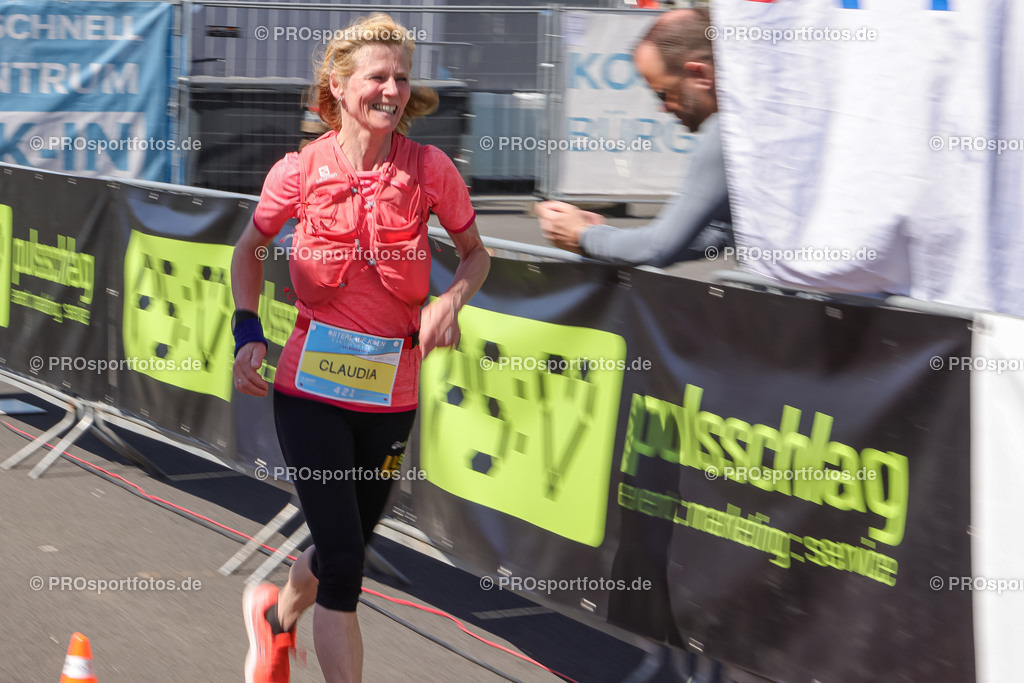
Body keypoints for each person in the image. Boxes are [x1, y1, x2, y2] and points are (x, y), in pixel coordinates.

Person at [230, 13, 490, 683]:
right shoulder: (298, 170)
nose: (392, 90)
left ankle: (275, 619)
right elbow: (249, 249)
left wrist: (450, 301)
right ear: (340, 88)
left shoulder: (429, 170)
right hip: (309, 392)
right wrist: (247, 331)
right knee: (346, 565)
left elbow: (475, 254)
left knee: (338, 549)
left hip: (390, 398)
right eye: (378, 77)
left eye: (402, 78)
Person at [536, 8, 731, 268]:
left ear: (700, 75)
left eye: (663, 93)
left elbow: (656, 249)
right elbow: (719, 235)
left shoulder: (729, 132)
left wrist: (580, 234)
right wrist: (598, 235)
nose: (663, 107)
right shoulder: (758, 118)